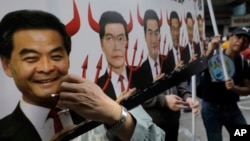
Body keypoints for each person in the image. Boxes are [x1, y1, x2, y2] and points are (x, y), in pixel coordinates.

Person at [0, 9, 165, 141]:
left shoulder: (97, 95)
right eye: (31, 58)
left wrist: (115, 114)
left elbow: (157, 137)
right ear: (7, 65)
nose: (46, 67)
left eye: (56, 56)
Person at [87, 10, 165, 141]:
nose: (116, 46)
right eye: (109, 38)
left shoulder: (143, 74)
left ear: (126, 42)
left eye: (120, 38)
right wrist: (114, 110)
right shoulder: (96, 89)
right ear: (101, 43)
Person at [135, 9, 199, 141]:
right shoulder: (139, 70)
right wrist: (163, 100)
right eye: (150, 33)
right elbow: (137, 97)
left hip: (173, 122)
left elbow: (180, 82)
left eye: (156, 32)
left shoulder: (170, 61)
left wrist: (187, 98)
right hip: (152, 127)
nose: (154, 39)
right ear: (145, 36)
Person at [200, 27, 250, 141]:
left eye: (245, 40)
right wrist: (210, 49)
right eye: (238, 37)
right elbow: (197, 69)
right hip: (211, 110)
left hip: (232, 109)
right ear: (230, 38)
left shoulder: (243, 62)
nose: (241, 41)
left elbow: (248, 89)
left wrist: (234, 88)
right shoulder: (214, 55)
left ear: (247, 45)